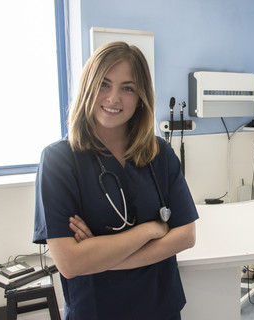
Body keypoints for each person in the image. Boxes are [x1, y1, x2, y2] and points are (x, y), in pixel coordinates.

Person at [33, 41, 198, 320]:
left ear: (141, 96)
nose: (113, 98)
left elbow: (186, 235)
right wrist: (150, 230)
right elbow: (70, 262)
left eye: (128, 88)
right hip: (97, 310)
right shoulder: (59, 161)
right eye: (104, 84)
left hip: (160, 309)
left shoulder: (159, 153)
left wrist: (100, 256)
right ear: (88, 86)